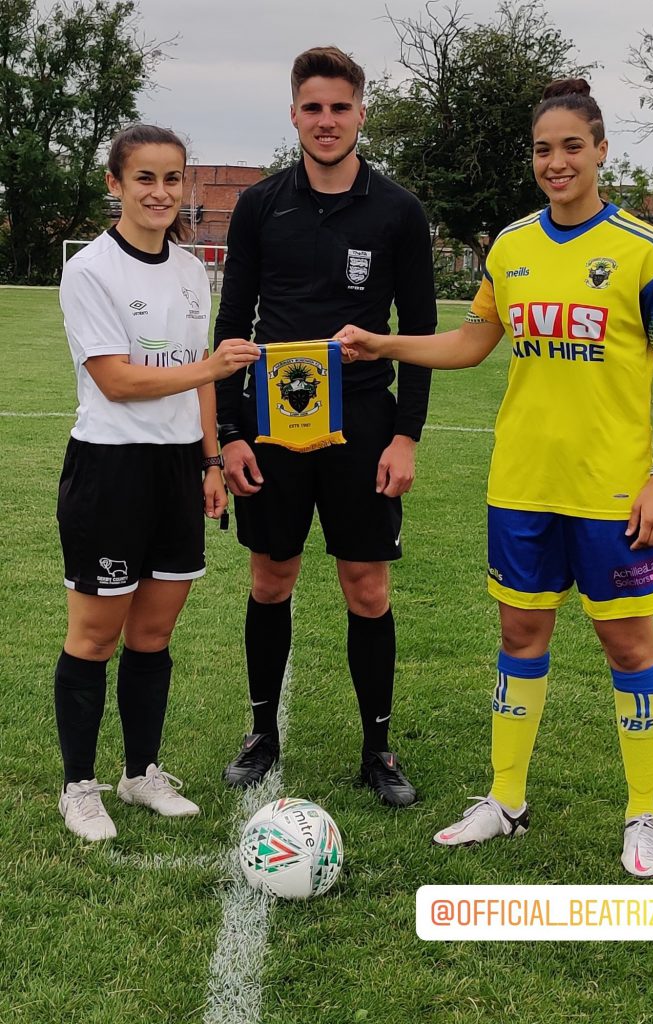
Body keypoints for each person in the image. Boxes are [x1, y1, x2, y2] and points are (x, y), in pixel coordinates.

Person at [337, 79, 653, 875]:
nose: (557, 161)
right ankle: (504, 800)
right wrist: (387, 344)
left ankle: (642, 812)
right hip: (520, 485)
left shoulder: (645, 251)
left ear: (601, 150)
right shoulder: (510, 248)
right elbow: (472, 341)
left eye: (572, 146)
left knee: (627, 642)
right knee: (518, 634)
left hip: (610, 490)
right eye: (543, 149)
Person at [214, 46, 437, 806]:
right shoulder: (260, 205)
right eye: (312, 107)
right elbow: (231, 320)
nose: (326, 121)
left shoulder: (397, 210)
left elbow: (421, 331)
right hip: (272, 423)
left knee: (365, 586)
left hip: (365, 425)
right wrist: (229, 432)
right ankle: (261, 733)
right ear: (293, 114)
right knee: (270, 578)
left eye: (339, 107)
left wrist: (405, 435)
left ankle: (378, 749)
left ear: (360, 113)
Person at [56, 124, 260, 840]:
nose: (160, 192)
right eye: (144, 178)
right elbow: (114, 382)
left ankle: (140, 773)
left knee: (153, 633)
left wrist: (209, 460)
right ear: (115, 183)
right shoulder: (89, 270)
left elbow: (195, 368)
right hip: (111, 468)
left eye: (172, 179)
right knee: (95, 635)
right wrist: (210, 370)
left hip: (178, 468)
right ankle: (79, 786)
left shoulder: (188, 268)